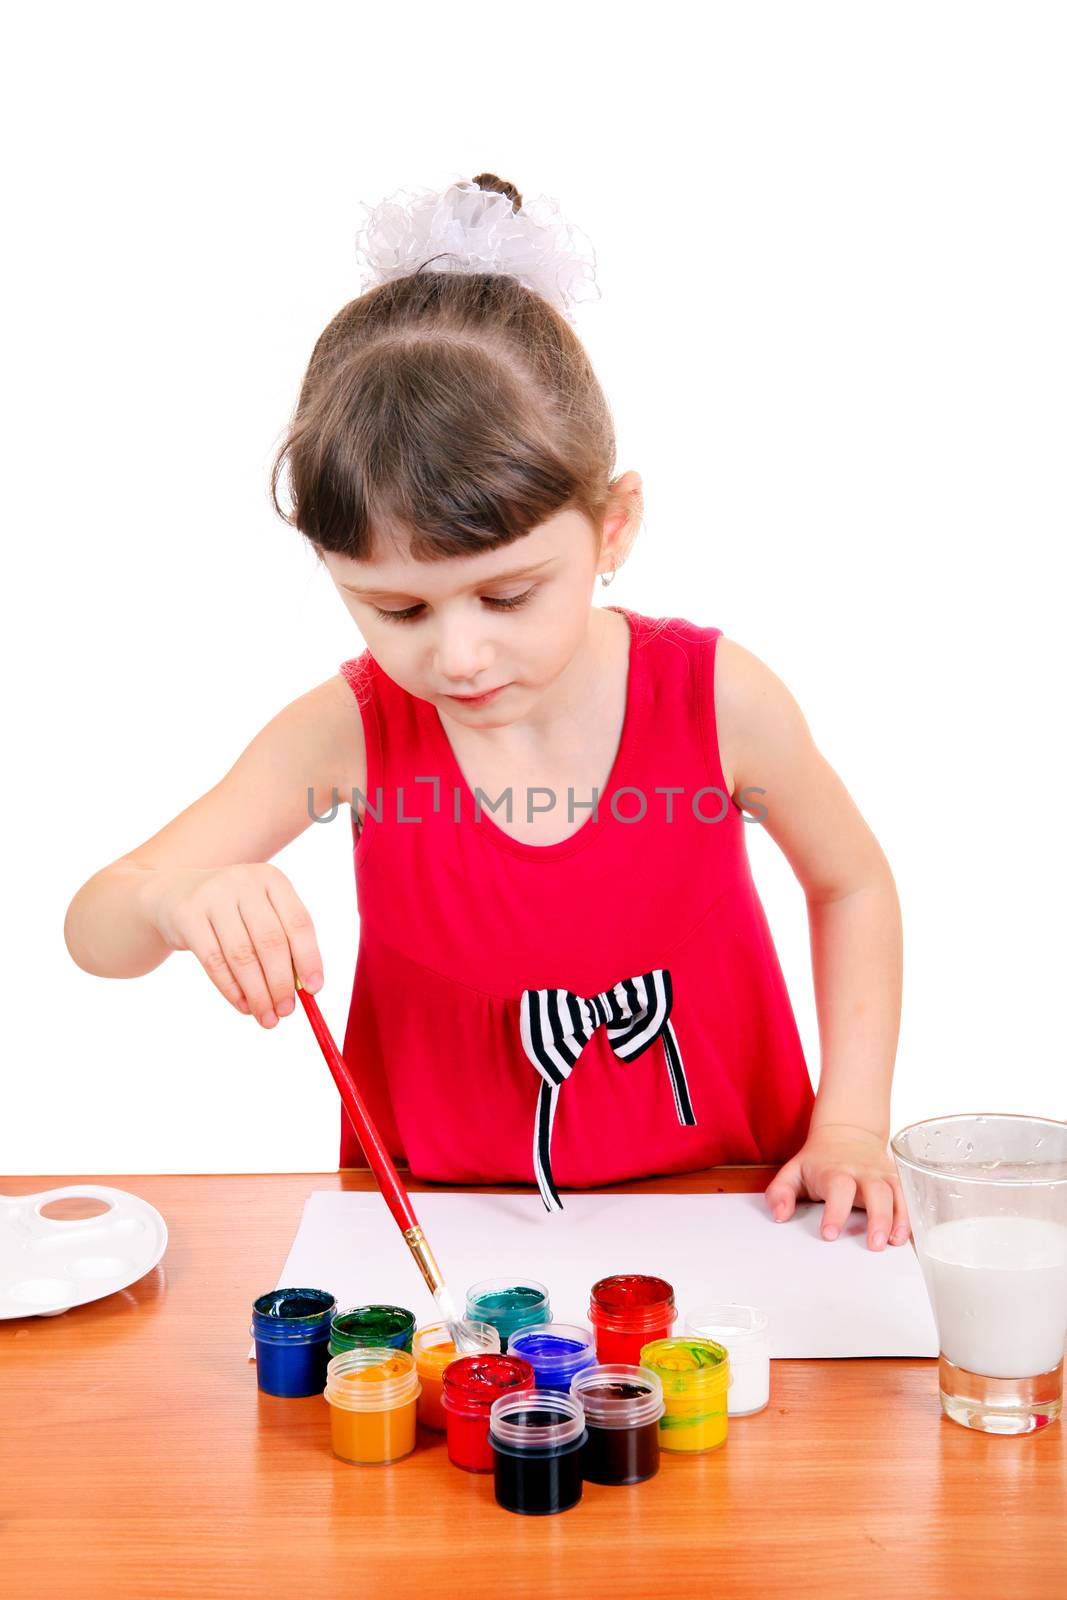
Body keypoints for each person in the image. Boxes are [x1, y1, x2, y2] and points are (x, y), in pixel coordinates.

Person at [64, 171, 909, 1251]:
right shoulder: (350, 733)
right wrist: (177, 902)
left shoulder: (715, 699)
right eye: (395, 606)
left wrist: (849, 1123)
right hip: (446, 1238)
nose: (457, 655)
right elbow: (98, 927)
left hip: (742, 1206)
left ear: (611, 527)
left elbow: (850, 880)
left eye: (507, 594)